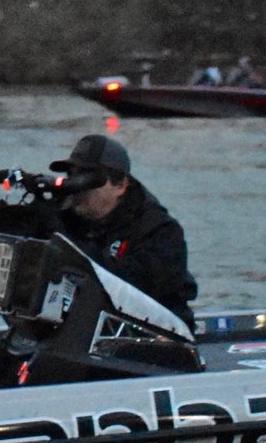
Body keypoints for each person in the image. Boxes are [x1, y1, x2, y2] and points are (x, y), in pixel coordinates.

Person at [49, 134, 197, 328]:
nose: (78, 186)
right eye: (73, 175)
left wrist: (65, 244)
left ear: (120, 185)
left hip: (154, 337)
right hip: (87, 330)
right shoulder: (66, 216)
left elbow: (126, 288)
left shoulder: (160, 231)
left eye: (88, 178)